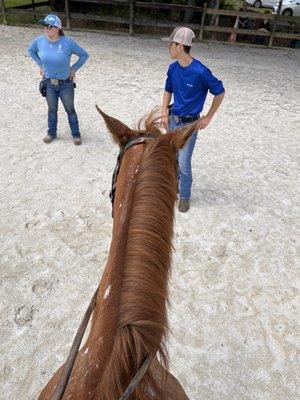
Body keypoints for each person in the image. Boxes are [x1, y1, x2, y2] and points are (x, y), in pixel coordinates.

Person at [161, 27, 225, 213]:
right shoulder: (172, 68)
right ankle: (174, 188)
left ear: (179, 47)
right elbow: (168, 89)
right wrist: (164, 112)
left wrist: (208, 117)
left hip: (190, 125)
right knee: (172, 158)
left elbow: (220, 92)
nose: (169, 48)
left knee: (184, 162)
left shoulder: (201, 72)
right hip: (172, 120)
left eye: (171, 44)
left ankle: (185, 196)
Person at [28, 14, 89, 145]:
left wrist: (74, 69)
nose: (45, 28)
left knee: (70, 110)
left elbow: (84, 55)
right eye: (44, 25)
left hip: (65, 84)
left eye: (49, 26)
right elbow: (31, 51)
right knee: (52, 110)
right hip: (49, 84)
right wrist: (40, 65)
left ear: (57, 28)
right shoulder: (39, 41)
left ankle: (76, 134)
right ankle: (51, 133)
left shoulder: (68, 43)